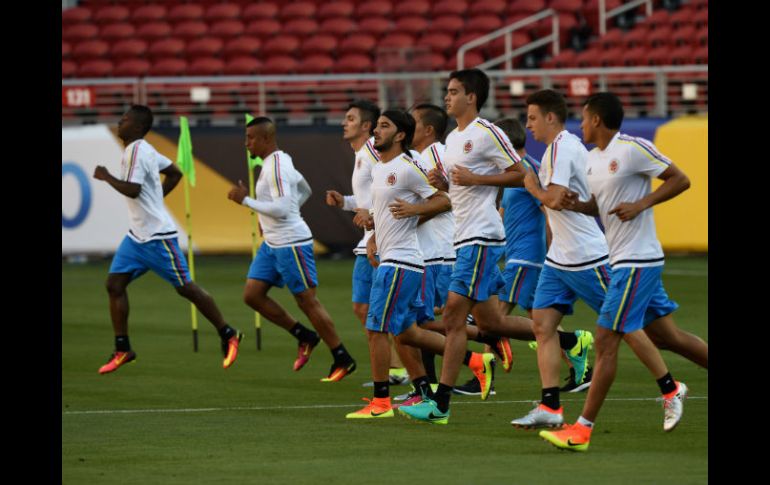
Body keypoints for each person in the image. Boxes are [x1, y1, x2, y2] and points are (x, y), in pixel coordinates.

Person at [539, 92, 707, 452]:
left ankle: (584, 429)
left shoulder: (632, 148)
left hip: (639, 260)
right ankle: (670, 388)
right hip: (622, 259)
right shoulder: (592, 161)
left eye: (583, 118)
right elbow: (599, 207)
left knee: (605, 339)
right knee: (667, 337)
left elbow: (681, 179)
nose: (579, 125)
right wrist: (579, 206)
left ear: (597, 120)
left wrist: (642, 204)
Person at [400, 68, 527, 424]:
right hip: (464, 235)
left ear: (471, 97)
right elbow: (460, 193)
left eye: (454, 91)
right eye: (447, 91)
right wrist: (445, 184)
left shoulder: (487, 132)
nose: (447, 97)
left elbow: (521, 174)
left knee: (453, 315)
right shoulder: (454, 139)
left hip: (481, 236)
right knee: (491, 324)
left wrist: (477, 178)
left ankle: (440, 404)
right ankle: (568, 341)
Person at [93, 105, 243, 374]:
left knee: (186, 288)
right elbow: (175, 172)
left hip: (157, 238)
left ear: (138, 128)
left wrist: (106, 177)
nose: (120, 121)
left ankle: (228, 332)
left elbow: (134, 190)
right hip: (137, 236)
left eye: (125, 119)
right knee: (114, 285)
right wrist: (157, 199)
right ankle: (123, 348)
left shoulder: (138, 150)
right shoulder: (143, 150)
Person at [455, 117, 594, 395]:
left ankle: (485, 378)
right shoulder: (512, 173)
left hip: (527, 257)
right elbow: (506, 213)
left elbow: (547, 210)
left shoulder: (529, 171)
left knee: (494, 317)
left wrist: (554, 251)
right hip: (515, 254)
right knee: (541, 321)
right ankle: (576, 351)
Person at [227, 117, 356, 382]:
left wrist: (246, 200)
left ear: (265, 139)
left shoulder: (276, 166)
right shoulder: (279, 161)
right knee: (252, 295)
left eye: (250, 138)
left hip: (291, 244)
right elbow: (304, 189)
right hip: (273, 243)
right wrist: (270, 220)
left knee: (307, 301)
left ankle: (342, 357)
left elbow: (284, 208)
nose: (246, 143)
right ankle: (305, 336)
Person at [345, 109, 455, 419]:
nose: (376, 132)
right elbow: (385, 212)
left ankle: (381, 403)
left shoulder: (407, 167)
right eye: (376, 126)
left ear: (401, 134)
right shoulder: (381, 169)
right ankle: (469, 361)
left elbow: (445, 200)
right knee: (406, 332)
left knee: (376, 328)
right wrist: (373, 232)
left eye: (383, 126)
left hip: (402, 262)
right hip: (390, 259)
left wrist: (414, 209)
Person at [325, 100, 409, 386]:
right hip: (368, 241)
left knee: (385, 311)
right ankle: (396, 368)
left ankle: (404, 369)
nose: (343, 123)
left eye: (350, 118)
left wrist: (372, 221)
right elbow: (369, 200)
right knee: (363, 308)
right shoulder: (362, 154)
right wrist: (346, 202)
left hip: (380, 241)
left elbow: (388, 195)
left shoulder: (375, 153)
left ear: (365, 126)